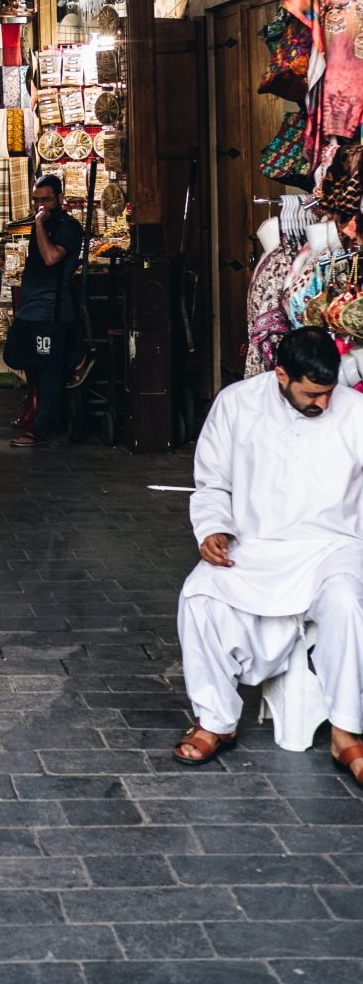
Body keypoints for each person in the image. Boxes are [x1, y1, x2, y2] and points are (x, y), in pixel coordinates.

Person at [174, 326, 363, 783]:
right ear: (281, 375)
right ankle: (215, 721)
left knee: (345, 601)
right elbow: (212, 482)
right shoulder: (236, 404)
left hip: (333, 546)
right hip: (253, 546)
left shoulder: (356, 412)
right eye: (312, 393)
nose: (322, 402)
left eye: (328, 391)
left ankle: (346, 733)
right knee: (198, 595)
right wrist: (214, 528)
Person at [4, 174, 84, 449]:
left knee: (49, 371)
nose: (40, 205)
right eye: (36, 200)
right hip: (31, 310)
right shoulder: (44, 223)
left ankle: (41, 430)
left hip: (51, 312)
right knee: (14, 353)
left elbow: (51, 258)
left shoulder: (67, 227)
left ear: (59, 198)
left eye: (46, 200)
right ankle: (70, 362)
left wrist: (38, 223)